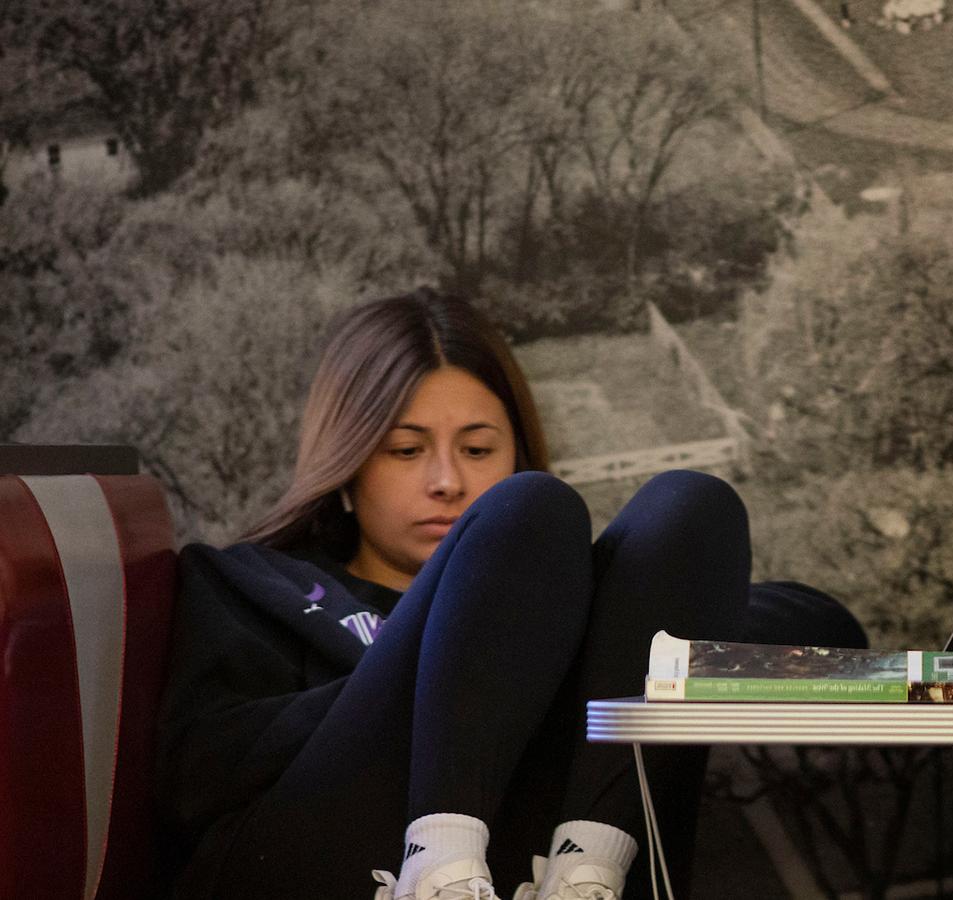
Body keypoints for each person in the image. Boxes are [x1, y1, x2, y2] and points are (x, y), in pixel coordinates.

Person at [156, 289, 865, 900]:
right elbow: (200, 778)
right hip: (321, 867)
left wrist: (616, 637)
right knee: (540, 524)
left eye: (477, 449)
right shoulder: (252, 582)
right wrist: (467, 682)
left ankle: (586, 873)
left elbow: (833, 639)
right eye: (405, 450)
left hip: (544, 860)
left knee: (689, 507)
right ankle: (439, 870)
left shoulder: (586, 603)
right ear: (346, 463)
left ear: (517, 453)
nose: (446, 481)